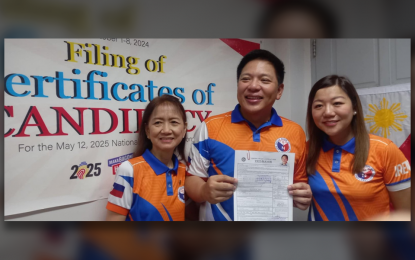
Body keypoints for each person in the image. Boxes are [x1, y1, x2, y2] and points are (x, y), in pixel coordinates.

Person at [185, 49, 312, 221]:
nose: (253, 86)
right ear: (238, 85)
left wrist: (301, 196)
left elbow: (299, 184)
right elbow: (192, 179)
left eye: (264, 80)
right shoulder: (210, 127)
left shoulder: (295, 132)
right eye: (245, 79)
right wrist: (203, 191)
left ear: (279, 91)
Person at [306, 75, 411, 221]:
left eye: (337, 103)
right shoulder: (306, 150)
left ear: (354, 107)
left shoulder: (385, 150)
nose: (328, 112)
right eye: (318, 106)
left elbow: (406, 214)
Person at [106, 95, 188, 221]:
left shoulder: (185, 170)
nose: (166, 130)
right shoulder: (129, 170)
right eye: (158, 123)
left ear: (184, 129)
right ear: (147, 130)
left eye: (174, 122)